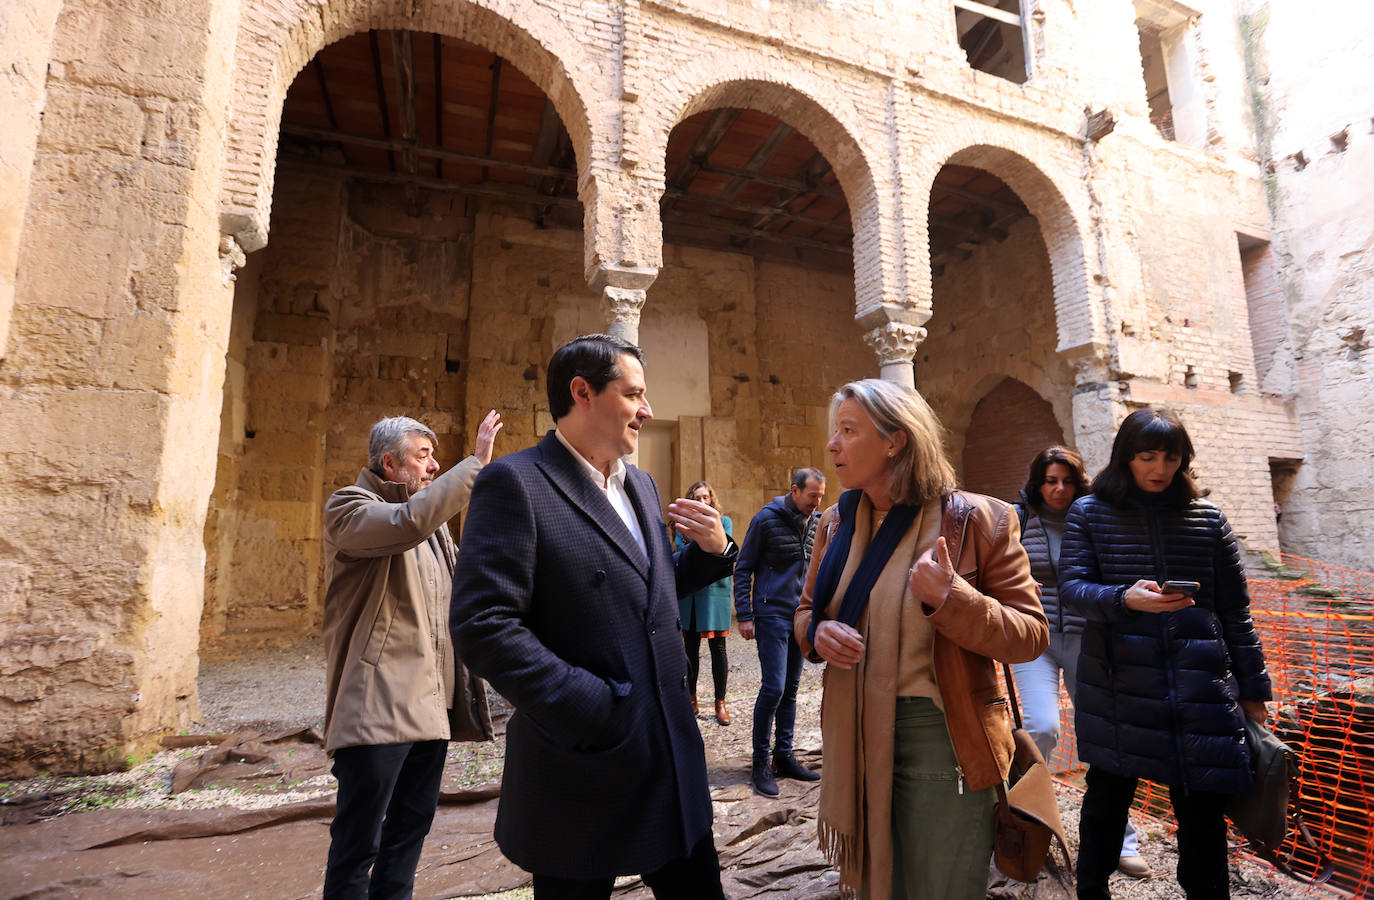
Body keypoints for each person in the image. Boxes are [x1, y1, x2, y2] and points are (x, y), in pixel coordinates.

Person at [448, 334, 738, 900]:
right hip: (582, 763)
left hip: (667, 756)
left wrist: (710, 557)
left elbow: (649, 593)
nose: (647, 411)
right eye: (633, 395)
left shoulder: (644, 486)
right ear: (582, 393)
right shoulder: (517, 483)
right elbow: (483, 624)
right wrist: (592, 706)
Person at [795, 379, 1048, 900]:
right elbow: (804, 613)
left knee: (941, 887)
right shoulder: (835, 522)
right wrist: (817, 633)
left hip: (942, 738)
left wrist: (952, 598)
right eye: (834, 431)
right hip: (857, 731)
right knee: (878, 885)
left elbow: (1030, 634)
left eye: (848, 431)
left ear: (896, 440)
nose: (832, 446)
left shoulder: (980, 520)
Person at [1060, 407, 1271, 899]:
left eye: (1170, 458)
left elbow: (1236, 609)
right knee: (1107, 803)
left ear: (1184, 460)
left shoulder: (1207, 518)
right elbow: (1072, 588)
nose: (1159, 468)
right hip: (1119, 684)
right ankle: (1091, 892)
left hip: (1198, 686)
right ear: (1125, 458)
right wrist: (1122, 599)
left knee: (1203, 814)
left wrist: (1254, 690)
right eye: (1147, 456)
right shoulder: (1089, 512)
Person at [321, 410, 503, 899]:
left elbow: (467, 588)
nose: (433, 465)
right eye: (423, 456)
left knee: (409, 834)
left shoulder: (435, 526)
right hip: (377, 709)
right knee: (358, 844)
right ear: (390, 462)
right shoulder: (349, 509)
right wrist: (477, 463)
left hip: (431, 706)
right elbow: (407, 521)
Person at [1010, 447, 1151, 880]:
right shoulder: (1016, 518)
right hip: (1036, 638)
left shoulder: (1093, 515)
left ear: (1078, 483)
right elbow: (992, 568)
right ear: (1037, 482)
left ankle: (1121, 842)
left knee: (1104, 734)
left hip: (1088, 638)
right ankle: (1022, 826)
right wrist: (1014, 583)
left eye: (1067, 481)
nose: (1059, 489)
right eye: (1051, 480)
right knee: (1041, 728)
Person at [734, 467, 827, 796]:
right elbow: (743, 568)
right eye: (812, 496)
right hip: (770, 613)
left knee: (791, 689)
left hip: (800, 617)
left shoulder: (817, 523)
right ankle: (761, 761)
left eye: (821, 497)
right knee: (773, 686)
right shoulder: (766, 519)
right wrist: (745, 614)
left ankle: (784, 756)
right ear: (795, 490)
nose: (817, 502)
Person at [673, 481, 734, 726]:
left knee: (718, 649)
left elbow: (721, 550)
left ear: (711, 499)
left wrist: (701, 549)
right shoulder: (682, 526)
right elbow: (680, 554)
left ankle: (720, 703)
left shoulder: (723, 521)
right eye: (697, 497)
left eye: (706, 498)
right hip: (691, 597)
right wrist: (704, 548)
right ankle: (691, 699)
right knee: (690, 650)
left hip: (714, 594)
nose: (702, 502)